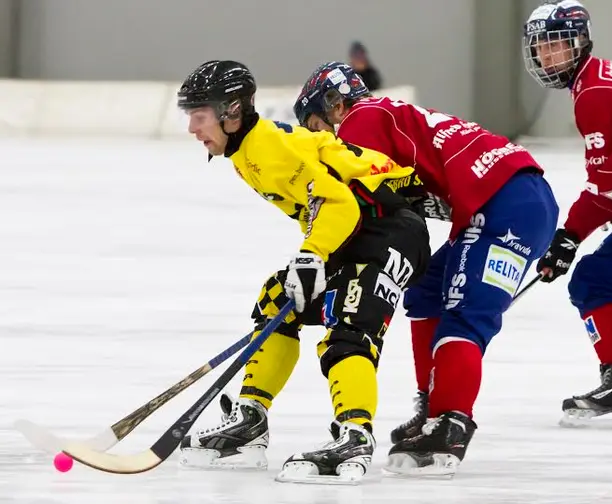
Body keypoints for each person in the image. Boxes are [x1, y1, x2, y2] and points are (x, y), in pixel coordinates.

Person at [294, 61, 559, 476]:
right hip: (511, 199)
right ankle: (431, 408)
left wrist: (323, 262)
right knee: (425, 293)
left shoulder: (360, 120)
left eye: (316, 125)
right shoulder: (384, 114)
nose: (320, 139)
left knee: (465, 315)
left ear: (334, 104)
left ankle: (450, 424)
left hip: (505, 204)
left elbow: (357, 207)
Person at [175, 60, 430, 484]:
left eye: (198, 116)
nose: (191, 129)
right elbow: (319, 204)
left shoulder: (266, 148)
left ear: (231, 111)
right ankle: (251, 419)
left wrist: (312, 255)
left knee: (350, 322)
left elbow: (338, 203)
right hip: (360, 229)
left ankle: (355, 436)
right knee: (279, 299)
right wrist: (311, 261)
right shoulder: (246, 153)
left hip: (390, 226)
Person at [523, 0, 612, 428]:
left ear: (581, 43)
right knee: (595, 280)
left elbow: (605, 193)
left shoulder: (596, 91)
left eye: (557, 45)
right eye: (541, 47)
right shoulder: (596, 82)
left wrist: (567, 237)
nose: (548, 56)